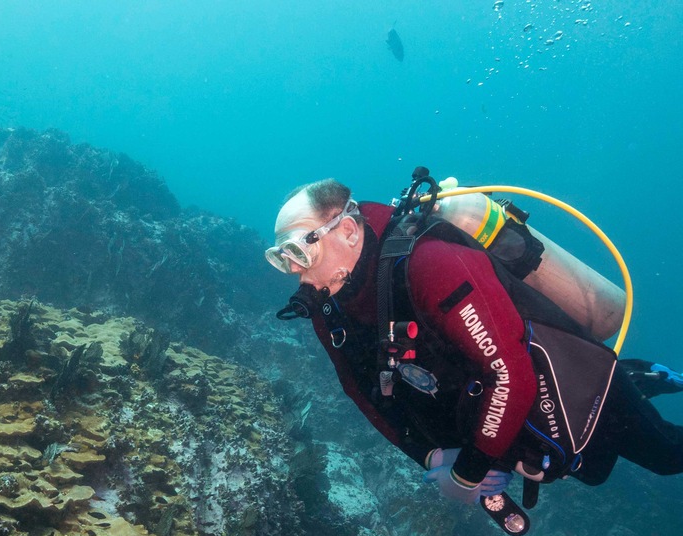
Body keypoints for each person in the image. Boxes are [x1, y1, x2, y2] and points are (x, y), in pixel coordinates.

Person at [267, 178, 683, 508]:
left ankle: (636, 376)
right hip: (499, 396)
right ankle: (641, 375)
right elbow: (361, 391)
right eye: (281, 258)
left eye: (299, 252)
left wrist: (466, 475)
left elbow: (511, 376)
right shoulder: (329, 305)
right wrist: (430, 456)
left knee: (665, 455)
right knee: (592, 472)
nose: (294, 272)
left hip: (570, 379)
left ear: (348, 231)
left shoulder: (433, 265)